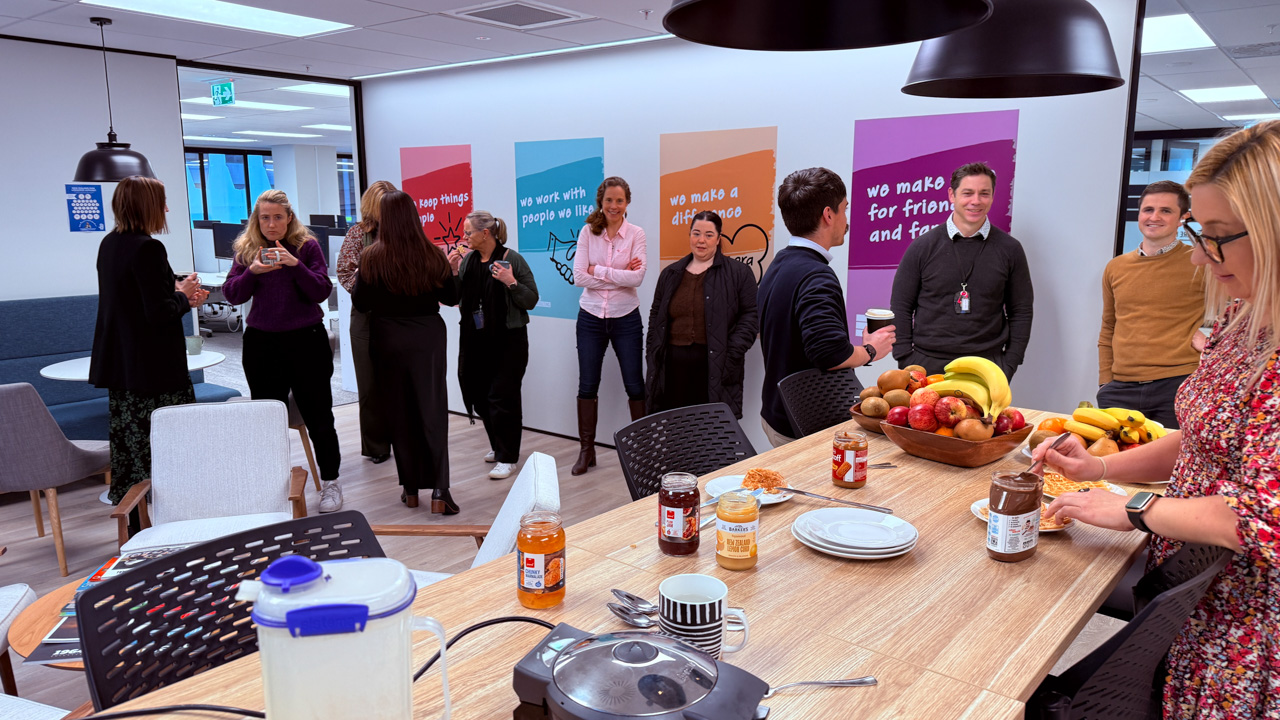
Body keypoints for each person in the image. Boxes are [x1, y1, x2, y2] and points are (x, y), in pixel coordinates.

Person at [1036, 121, 1280, 720]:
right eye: (1200, 233)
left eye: (1216, 237)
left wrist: (1134, 508)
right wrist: (1098, 469)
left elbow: (1262, 519)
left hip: (1243, 623)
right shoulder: (1243, 320)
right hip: (1190, 592)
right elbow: (1199, 441)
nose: (1199, 254)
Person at [90, 176, 208, 528]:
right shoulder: (148, 248)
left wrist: (177, 293)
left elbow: (133, 302)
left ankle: (137, 528)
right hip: (155, 373)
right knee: (171, 451)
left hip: (123, 367)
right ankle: (179, 526)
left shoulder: (110, 243)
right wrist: (183, 296)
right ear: (148, 206)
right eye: (162, 202)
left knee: (131, 452)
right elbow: (158, 314)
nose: (167, 209)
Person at [222, 190, 342, 513]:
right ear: (257, 219)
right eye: (265, 218)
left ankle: (331, 482)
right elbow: (232, 294)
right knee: (268, 419)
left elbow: (321, 290)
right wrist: (253, 272)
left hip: (307, 341)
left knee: (319, 416)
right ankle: (272, 486)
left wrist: (294, 265)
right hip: (262, 343)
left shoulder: (307, 247)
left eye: (278, 217)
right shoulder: (247, 248)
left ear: (289, 218)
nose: (271, 224)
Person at [758, 168, 895, 447]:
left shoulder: (779, 264)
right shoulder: (816, 275)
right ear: (828, 215)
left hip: (777, 415)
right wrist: (870, 350)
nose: (847, 219)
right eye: (845, 209)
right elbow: (829, 353)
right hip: (804, 426)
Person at [353, 191, 460, 514]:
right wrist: (454, 272)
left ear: (384, 219)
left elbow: (361, 303)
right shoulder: (433, 254)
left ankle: (410, 489)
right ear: (415, 216)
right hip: (427, 337)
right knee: (432, 409)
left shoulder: (371, 257)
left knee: (399, 413)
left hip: (387, 338)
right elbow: (452, 298)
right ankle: (440, 490)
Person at [889, 162, 1033, 379]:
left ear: (992, 197)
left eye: (984, 193)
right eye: (968, 193)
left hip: (987, 366)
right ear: (952, 195)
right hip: (926, 365)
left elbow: (1021, 310)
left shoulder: (1010, 250)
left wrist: (1010, 362)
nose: (976, 201)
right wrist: (905, 358)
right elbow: (901, 306)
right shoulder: (922, 247)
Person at [1097, 180, 1206, 428]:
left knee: (1174, 454)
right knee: (1116, 453)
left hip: (1178, 384)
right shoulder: (1116, 267)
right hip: (1120, 388)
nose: (1154, 217)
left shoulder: (1200, 262)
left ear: (1183, 218)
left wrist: (1211, 340)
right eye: (1148, 210)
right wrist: (1105, 381)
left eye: (1165, 211)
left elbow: (1245, 308)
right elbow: (1108, 327)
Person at [447, 210, 539, 480]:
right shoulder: (469, 261)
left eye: (468, 232)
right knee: (478, 394)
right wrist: (453, 271)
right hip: (475, 341)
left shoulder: (512, 259)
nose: (464, 237)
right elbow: (455, 297)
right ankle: (498, 445)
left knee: (503, 396)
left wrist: (511, 283)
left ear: (485, 233)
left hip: (508, 341)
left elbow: (531, 299)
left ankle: (508, 457)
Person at [645, 210, 759, 417]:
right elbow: (656, 316)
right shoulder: (670, 273)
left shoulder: (739, 273)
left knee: (710, 427)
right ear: (689, 235)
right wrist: (653, 353)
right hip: (673, 367)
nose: (701, 240)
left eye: (708, 235)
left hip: (714, 367)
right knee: (676, 426)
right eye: (696, 233)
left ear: (718, 238)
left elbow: (751, 316)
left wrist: (731, 354)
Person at [571, 176, 647, 475]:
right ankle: (586, 450)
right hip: (590, 317)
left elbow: (637, 278)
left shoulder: (636, 234)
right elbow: (579, 276)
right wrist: (618, 274)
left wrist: (599, 270)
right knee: (587, 384)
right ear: (600, 202)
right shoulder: (587, 232)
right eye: (609, 200)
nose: (614, 206)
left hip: (626, 317)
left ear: (627, 202)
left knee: (635, 384)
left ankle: (642, 452)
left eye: (619, 200)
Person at [337, 180, 396, 464]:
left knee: (399, 381)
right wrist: (369, 289)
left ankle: (404, 438)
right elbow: (345, 272)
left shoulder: (404, 233)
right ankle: (376, 446)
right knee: (370, 384)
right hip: (366, 316)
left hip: (400, 315)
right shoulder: (358, 233)